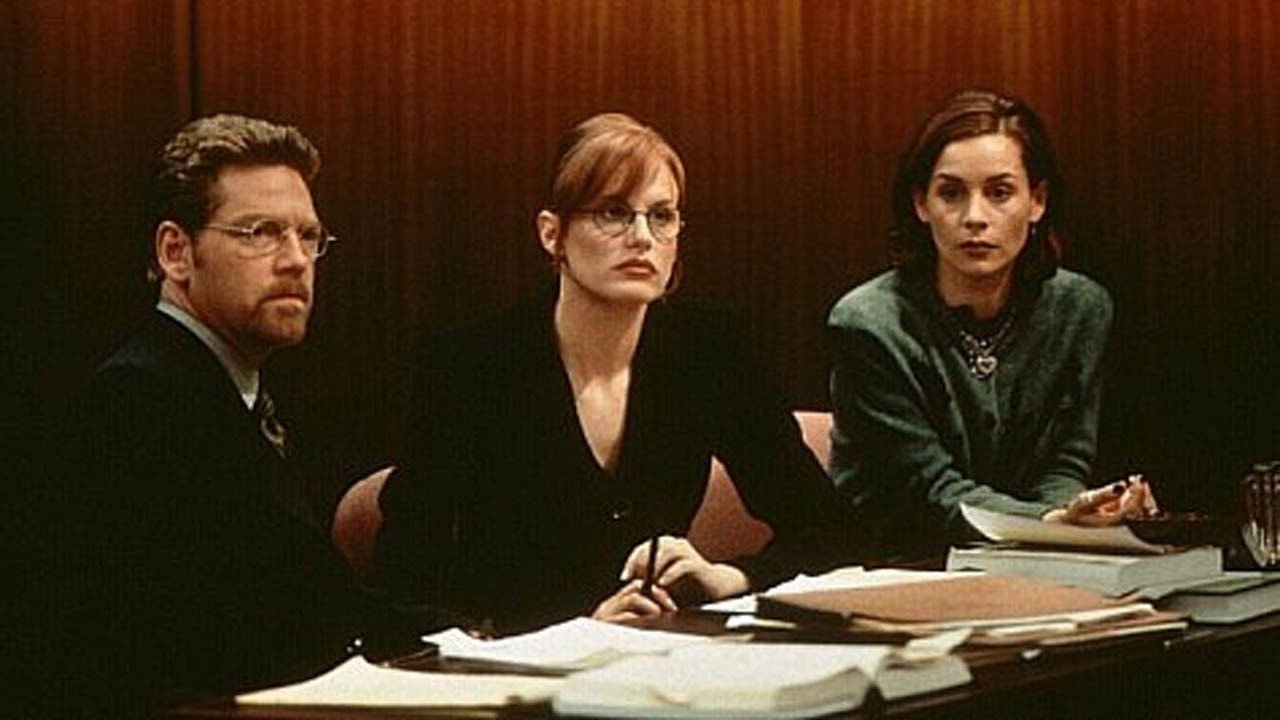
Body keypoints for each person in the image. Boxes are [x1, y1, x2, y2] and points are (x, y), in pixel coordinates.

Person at [377, 112, 853, 634]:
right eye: (613, 213)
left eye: (662, 216)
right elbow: (406, 580)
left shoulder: (710, 351)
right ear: (552, 234)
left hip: (666, 656)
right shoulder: (469, 366)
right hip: (520, 663)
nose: (643, 238)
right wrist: (575, 628)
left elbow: (831, 531)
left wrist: (729, 578)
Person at [18, 114, 426, 713]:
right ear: (176, 252)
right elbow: (177, 652)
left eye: (308, 236)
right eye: (261, 233)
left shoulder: (233, 392)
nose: (296, 260)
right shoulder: (137, 406)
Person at [827, 89, 1156, 560]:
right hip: (896, 561)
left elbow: (1066, 460)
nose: (975, 218)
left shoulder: (1081, 309)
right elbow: (928, 490)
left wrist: (1075, 514)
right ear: (921, 204)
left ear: (1037, 201)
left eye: (999, 192)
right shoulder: (869, 323)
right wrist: (1050, 525)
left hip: (1030, 558)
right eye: (951, 193)